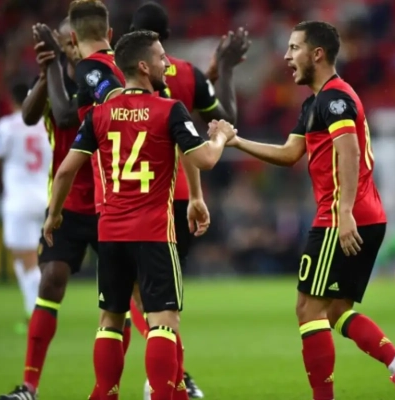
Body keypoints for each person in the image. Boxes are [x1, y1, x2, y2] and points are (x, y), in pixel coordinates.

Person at [221, 21, 395, 400]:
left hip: (340, 217)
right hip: (363, 215)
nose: (286, 57)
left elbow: (350, 151)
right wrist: (236, 141)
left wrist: (343, 212)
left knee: (307, 309)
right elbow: (289, 153)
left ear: (317, 54)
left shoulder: (334, 99)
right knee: (335, 310)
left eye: (294, 48)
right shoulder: (316, 103)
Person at [42, 30, 234, 400]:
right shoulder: (169, 109)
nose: (167, 64)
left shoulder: (98, 114)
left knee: (110, 321)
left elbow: (65, 171)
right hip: (155, 234)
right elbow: (205, 159)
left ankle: (105, 393)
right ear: (144, 67)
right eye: (161, 58)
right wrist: (222, 135)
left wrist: (53, 216)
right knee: (163, 322)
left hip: (111, 235)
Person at [128, 3, 250, 397]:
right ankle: (174, 377)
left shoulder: (120, 73)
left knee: (137, 296)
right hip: (180, 195)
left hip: (131, 201)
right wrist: (222, 71)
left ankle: (170, 377)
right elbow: (226, 120)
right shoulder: (188, 74)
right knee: (165, 298)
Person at [0, 19, 97, 400]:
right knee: (50, 281)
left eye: (72, 39)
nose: (69, 45)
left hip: (107, 202)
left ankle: (169, 377)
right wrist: (44, 74)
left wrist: (52, 64)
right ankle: (29, 387)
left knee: (128, 294)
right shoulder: (53, 77)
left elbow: (68, 115)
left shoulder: (100, 79)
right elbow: (28, 116)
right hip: (66, 203)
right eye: (63, 40)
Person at [0, 83, 52, 334]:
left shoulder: (7, 125)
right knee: (25, 258)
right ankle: (34, 311)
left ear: (12, 100)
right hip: (44, 196)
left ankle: (36, 314)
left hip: (18, 200)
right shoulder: (46, 123)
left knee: (27, 260)